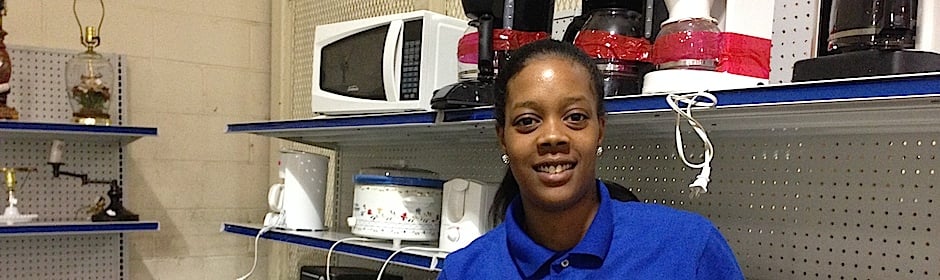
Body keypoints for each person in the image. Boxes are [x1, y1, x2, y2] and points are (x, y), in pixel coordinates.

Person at [437, 39, 744, 279]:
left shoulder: (688, 248)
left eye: (575, 117)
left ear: (600, 130)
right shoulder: (465, 271)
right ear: (502, 137)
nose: (552, 136)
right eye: (528, 121)